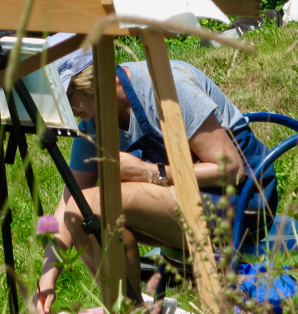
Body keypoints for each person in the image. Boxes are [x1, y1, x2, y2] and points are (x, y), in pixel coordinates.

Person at [33, 36, 274, 313]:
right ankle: (130, 308)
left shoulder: (167, 85)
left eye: (67, 96)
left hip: (244, 203)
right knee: (88, 216)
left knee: (93, 205)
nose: (68, 109)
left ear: (91, 77)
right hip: (187, 207)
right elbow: (70, 202)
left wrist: (150, 172)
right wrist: (47, 278)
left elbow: (232, 169)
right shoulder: (94, 118)